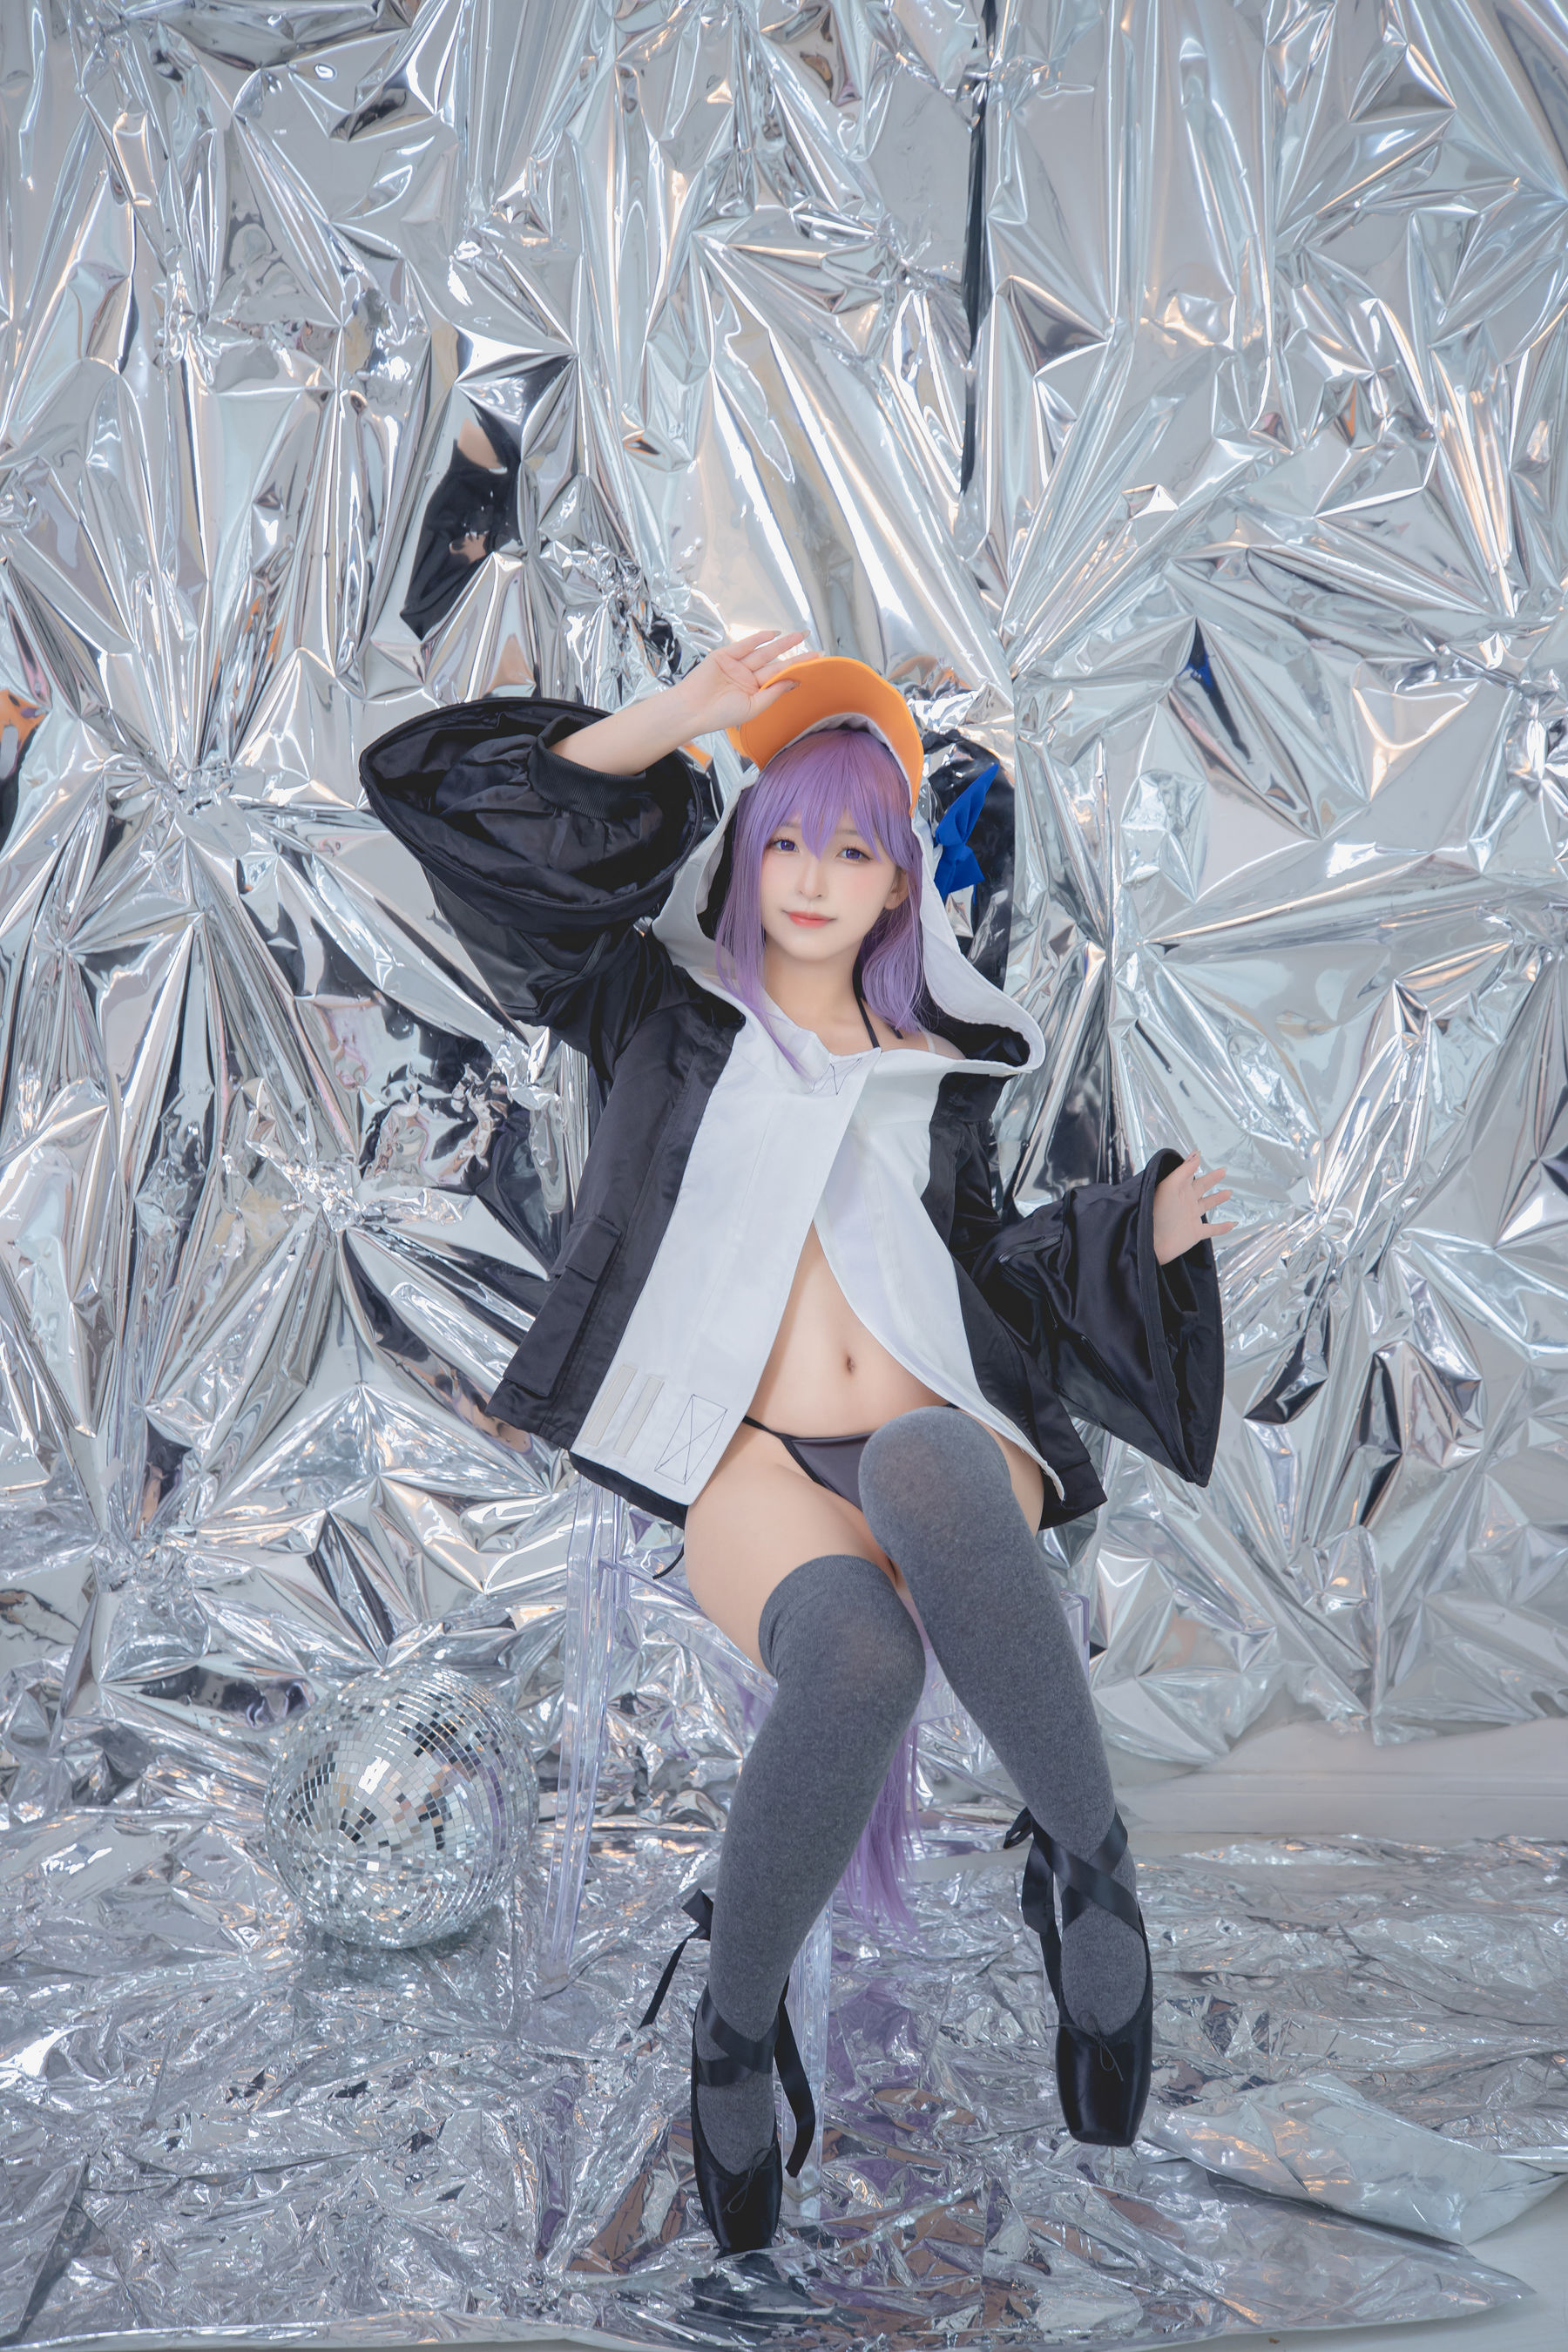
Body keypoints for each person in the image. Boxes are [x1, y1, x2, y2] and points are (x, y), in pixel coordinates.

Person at [360, 632, 1233, 2254]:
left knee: (922, 1464)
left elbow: (993, 1276)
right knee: (854, 1660)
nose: (816, 880)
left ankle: (1088, 1871)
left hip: (944, 1421)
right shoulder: (654, 1007)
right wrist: (680, 720)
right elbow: (478, 817)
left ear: (901, 884)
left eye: (855, 851)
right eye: (786, 843)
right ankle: (735, 2026)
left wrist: (1142, 1235)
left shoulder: (943, 1067)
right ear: (745, 854)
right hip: (749, 1453)